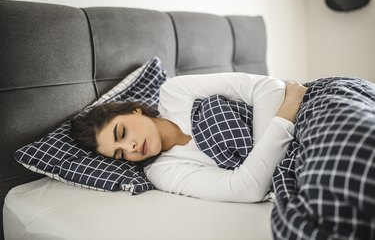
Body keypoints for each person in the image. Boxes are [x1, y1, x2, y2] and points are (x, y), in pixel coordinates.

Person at [71, 72, 307, 203]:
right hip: (297, 135)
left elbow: (266, 87)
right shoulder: (163, 171)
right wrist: (285, 114)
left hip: (311, 110)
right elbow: (246, 189)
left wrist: (260, 159)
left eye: (122, 133)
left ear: (135, 110)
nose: (130, 147)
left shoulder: (175, 92)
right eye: (121, 153)